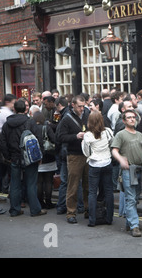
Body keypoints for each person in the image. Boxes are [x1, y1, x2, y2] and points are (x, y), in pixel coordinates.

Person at [1, 100, 47, 217]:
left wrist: (8, 157)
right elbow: (38, 139)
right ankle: (35, 210)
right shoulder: (30, 123)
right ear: (26, 109)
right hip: (30, 158)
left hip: (14, 157)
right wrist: (40, 155)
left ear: (14, 109)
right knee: (31, 184)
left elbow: (3, 142)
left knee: (15, 184)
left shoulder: (7, 124)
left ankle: (15, 210)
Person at [111, 109, 142, 236]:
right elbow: (114, 150)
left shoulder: (139, 135)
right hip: (128, 171)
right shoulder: (121, 134)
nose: (132, 119)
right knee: (131, 198)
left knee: (135, 197)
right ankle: (134, 226)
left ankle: (130, 223)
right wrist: (121, 159)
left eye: (134, 117)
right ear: (124, 120)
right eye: (129, 117)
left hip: (139, 169)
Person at [56, 95, 90, 224]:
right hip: (74, 155)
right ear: (73, 105)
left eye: (83, 106)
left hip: (87, 154)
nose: (82, 109)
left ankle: (88, 209)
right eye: (80, 106)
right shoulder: (66, 119)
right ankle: (71, 212)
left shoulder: (88, 114)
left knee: (88, 184)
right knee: (73, 185)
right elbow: (60, 137)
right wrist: (75, 136)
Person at [82, 111, 114, 227]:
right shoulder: (108, 132)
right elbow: (112, 144)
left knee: (92, 192)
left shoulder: (88, 135)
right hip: (107, 162)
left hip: (94, 164)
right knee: (109, 191)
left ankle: (92, 220)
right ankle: (109, 218)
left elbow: (86, 152)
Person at [31, 111, 57, 210]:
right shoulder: (47, 127)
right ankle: (49, 202)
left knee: (39, 182)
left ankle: (40, 202)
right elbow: (54, 140)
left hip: (37, 157)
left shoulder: (31, 128)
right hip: (49, 157)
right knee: (48, 181)